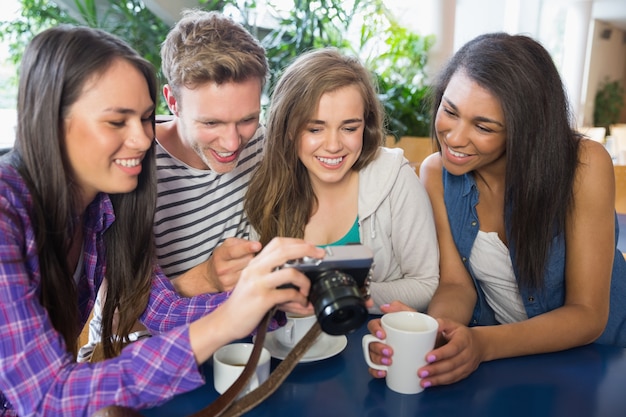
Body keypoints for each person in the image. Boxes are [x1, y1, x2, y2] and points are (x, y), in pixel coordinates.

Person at [0, 24, 325, 416]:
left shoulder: (103, 202)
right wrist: (226, 318)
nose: (141, 139)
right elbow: (46, 396)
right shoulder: (6, 211)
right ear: (52, 121)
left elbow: (156, 306)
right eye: (117, 122)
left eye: (145, 118)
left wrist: (268, 302)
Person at [366, 32, 626, 389]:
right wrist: (431, 334)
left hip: (600, 365)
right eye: (450, 111)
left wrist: (483, 344)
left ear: (527, 130)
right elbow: (457, 285)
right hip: (506, 370)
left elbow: (588, 315)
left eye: (484, 126)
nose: (455, 138)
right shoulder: (434, 173)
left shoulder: (583, 165)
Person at [78, 10, 299, 362]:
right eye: (211, 122)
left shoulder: (260, 142)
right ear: (172, 101)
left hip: (236, 345)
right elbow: (118, 313)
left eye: (247, 118)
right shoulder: (130, 167)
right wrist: (207, 278)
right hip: (136, 353)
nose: (232, 143)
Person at [244, 48, 440, 313]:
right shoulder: (269, 188)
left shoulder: (395, 177)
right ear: (288, 129)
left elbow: (426, 283)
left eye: (349, 128)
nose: (334, 145)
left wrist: (336, 294)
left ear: (366, 126)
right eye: (315, 129)